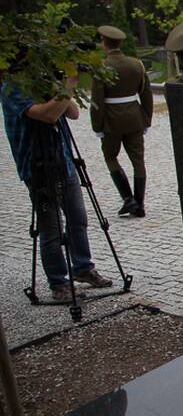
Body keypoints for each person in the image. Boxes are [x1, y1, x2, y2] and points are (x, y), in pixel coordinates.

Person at [2, 75, 113, 301]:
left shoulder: (44, 82)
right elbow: (48, 114)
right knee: (51, 229)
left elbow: (72, 112)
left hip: (63, 161)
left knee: (78, 219)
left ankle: (82, 267)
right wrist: (69, 86)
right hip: (38, 166)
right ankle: (59, 283)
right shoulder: (11, 87)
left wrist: (60, 86)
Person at [90, 25, 153, 218]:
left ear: (104, 43)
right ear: (121, 43)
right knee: (138, 161)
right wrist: (146, 119)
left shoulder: (101, 67)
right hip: (134, 118)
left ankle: (128, 198)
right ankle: (139, 204)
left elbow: (97, 100)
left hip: (111, 120)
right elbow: (146, 93)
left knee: (110, 157)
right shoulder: (136, 64)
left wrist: (97, 126)